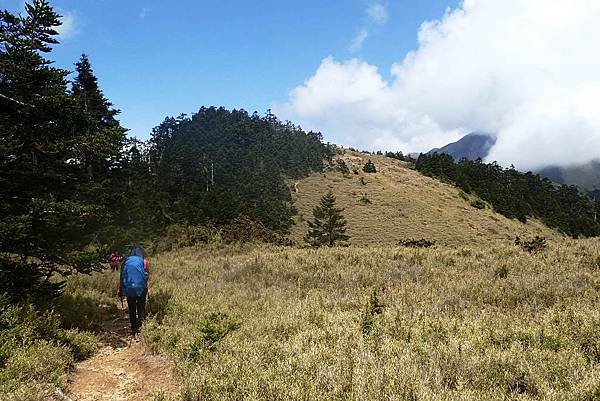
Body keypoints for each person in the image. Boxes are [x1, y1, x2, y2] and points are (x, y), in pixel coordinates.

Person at [119, 244, 149, 336]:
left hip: (129, 288)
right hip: (141, 288)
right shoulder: (144, 261)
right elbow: (147, 274)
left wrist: (121, 289)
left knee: (132, 309)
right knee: (141, 308)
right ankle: (140, 327)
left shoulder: (125, 262)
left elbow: (121, 277)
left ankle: (133, 328)